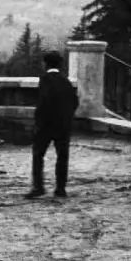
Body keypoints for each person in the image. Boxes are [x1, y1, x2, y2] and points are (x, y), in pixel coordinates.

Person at [25, 51, 79, 199]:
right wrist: (67, 118)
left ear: (45, 64)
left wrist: (38, 123)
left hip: (46, 125)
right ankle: (60, 189)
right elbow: (75, 102)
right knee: (62, 156)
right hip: (63, 125)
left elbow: (43, 102)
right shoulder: (65, 81)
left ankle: (38, 187)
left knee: (38, 155)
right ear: (60, 65)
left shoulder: (45, 80)